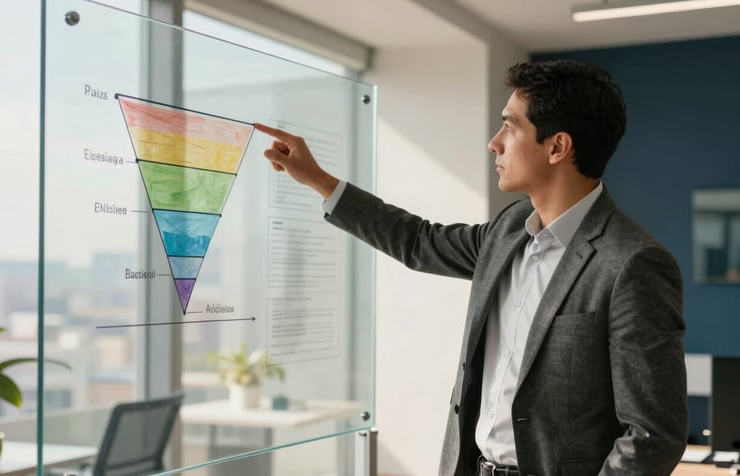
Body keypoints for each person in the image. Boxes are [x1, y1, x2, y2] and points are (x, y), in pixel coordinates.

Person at [254, 59, 688, 476]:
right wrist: (318, 179)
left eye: (510, 126)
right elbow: (419, 241)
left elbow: (653, 434)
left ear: (557, 146)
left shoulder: (632, 264)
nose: (494, 142)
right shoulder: (509, 228)